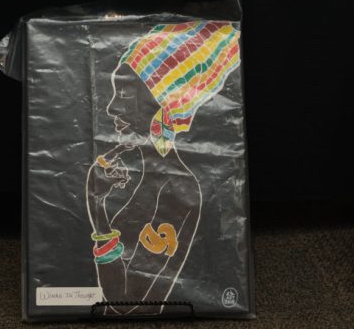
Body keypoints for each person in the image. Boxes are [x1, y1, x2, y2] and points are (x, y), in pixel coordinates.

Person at [83, 20, 241, 315]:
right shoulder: (145, 175)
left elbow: (124, 302)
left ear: (162, 104)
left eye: (124, 94)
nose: (111, 108)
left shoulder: (177, 190)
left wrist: (98, 208)